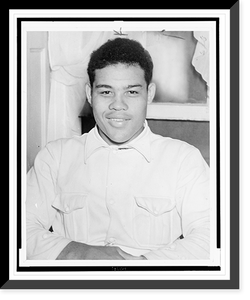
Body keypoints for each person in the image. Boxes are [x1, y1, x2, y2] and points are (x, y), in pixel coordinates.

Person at [26, 37, 210, 260]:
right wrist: (82, 253)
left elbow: (210, 237)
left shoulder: (184, 160)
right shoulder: (55, 158)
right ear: (89, 94)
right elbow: (19, 229)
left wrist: (139, 267)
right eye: (106, 92)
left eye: (131, 92)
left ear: (149, 94)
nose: (118, 105)